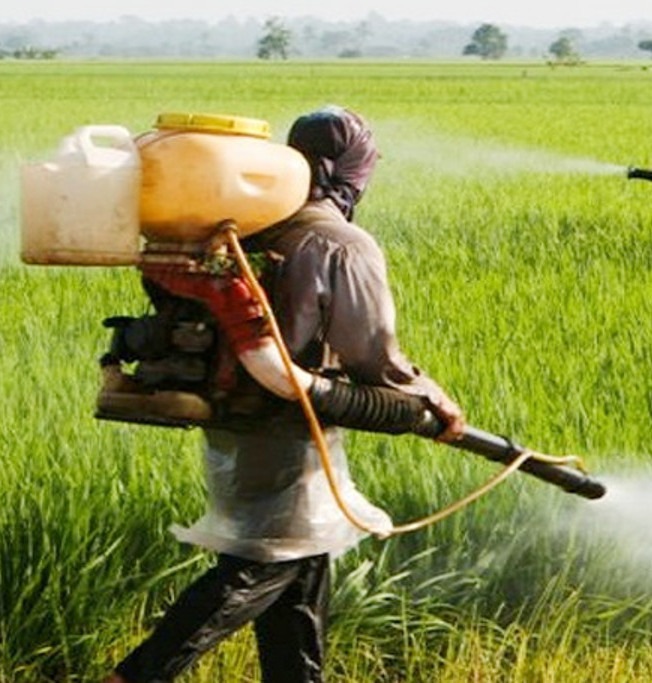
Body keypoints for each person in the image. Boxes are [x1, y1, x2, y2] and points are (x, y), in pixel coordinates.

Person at [105, 105, 465, 683]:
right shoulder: (340, 243)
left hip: (233, 416)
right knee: (262, 565)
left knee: (301, 568)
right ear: (349, 170)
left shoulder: (247, 227)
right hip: (286, 421)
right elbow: (374, 356)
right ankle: (137, 675)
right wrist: (429, 399)